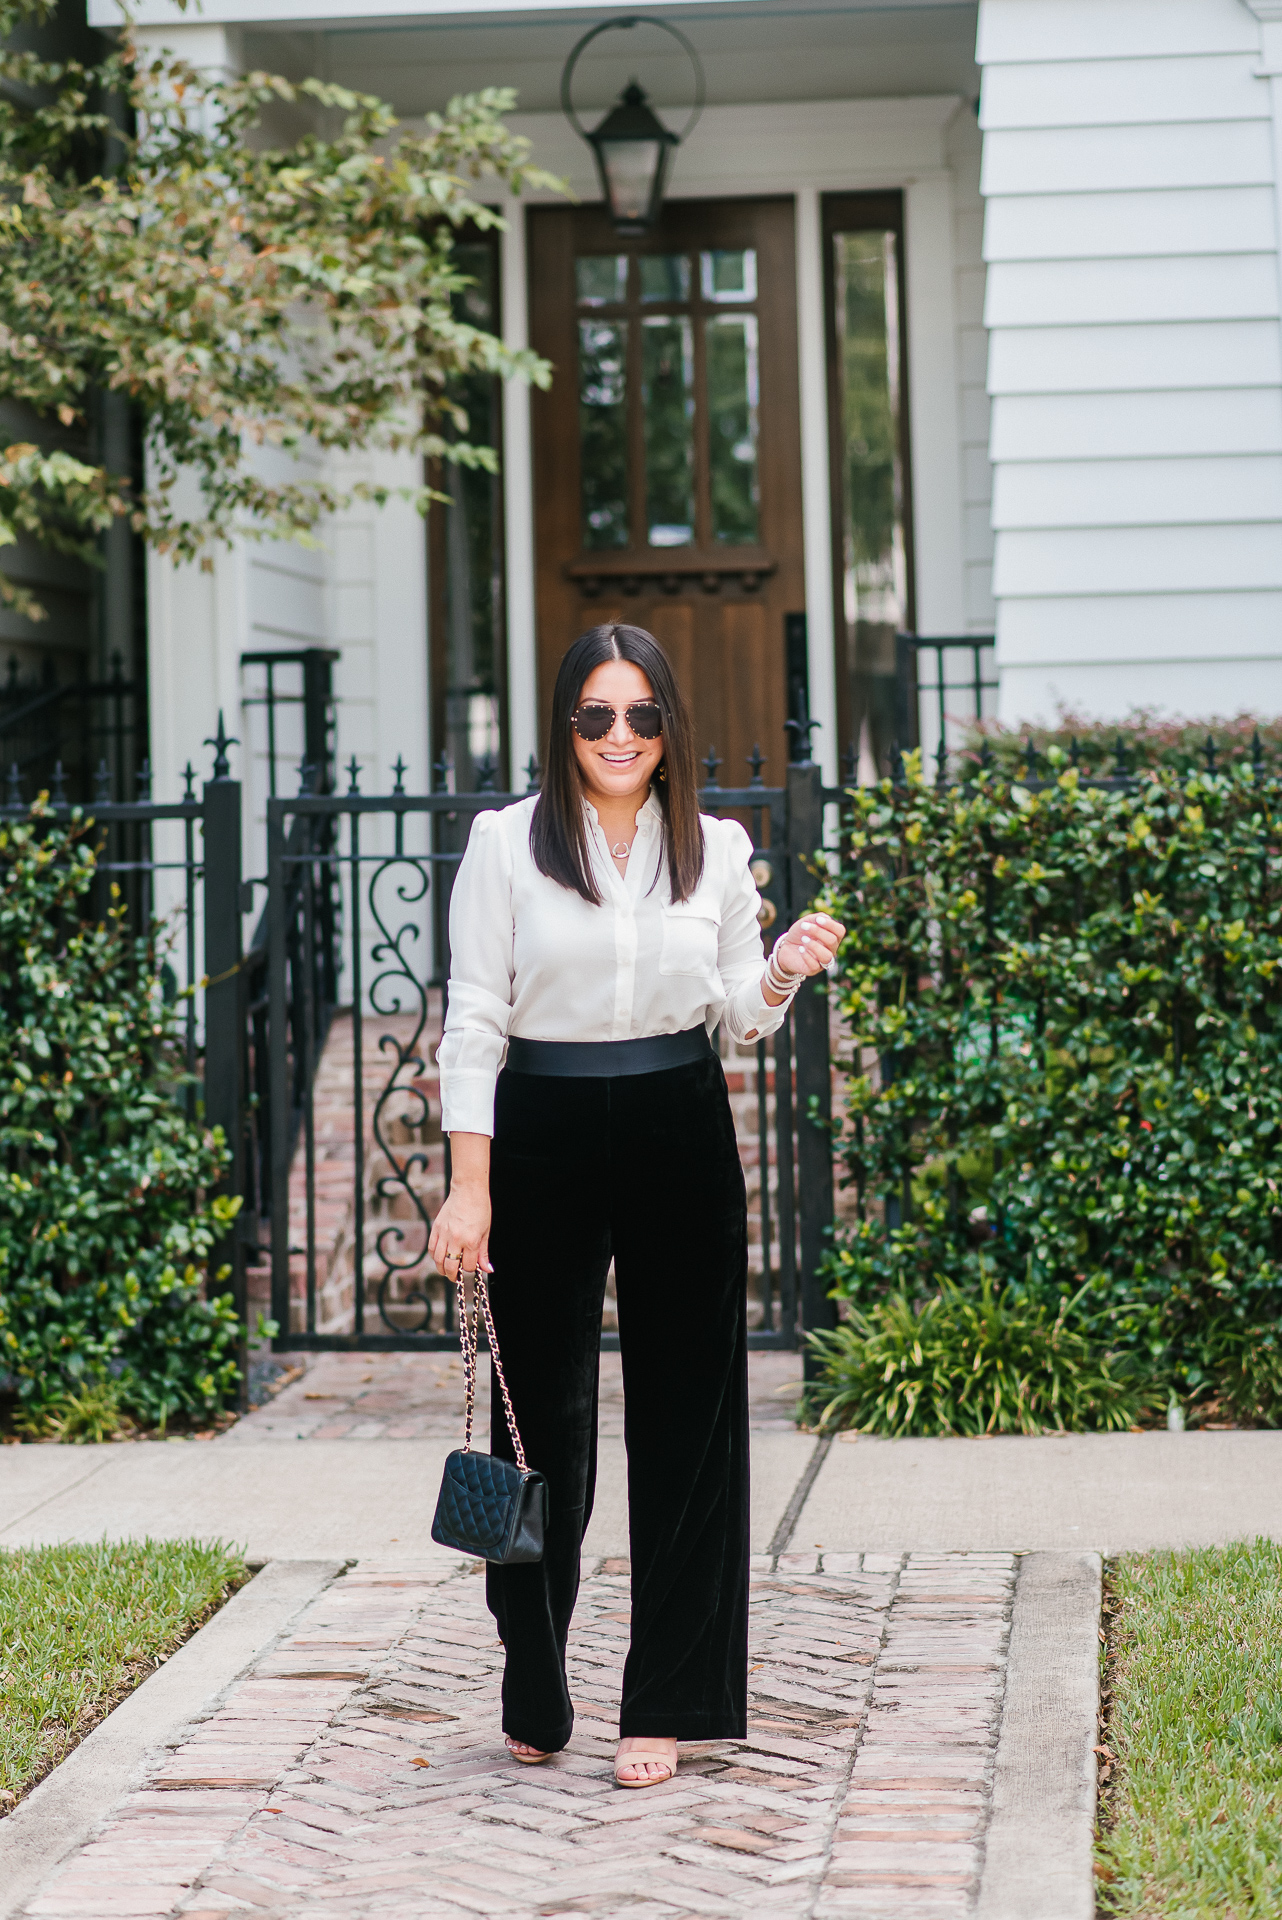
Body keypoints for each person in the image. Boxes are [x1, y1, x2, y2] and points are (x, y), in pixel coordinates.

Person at [429, 622, 844, 1789]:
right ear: (566, 724)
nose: (621, 736)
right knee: (540, 1424)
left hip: (676, 1122)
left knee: (688, 1422)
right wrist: (470, 1187)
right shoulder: (506, 845)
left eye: (643, 715)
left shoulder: (714, 849)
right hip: (541, 1129)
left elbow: (734, 1014)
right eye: (597, 715)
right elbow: (474, 1020)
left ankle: (665, 1700)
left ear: (670, 727)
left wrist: (781, 969)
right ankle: (533, 1671)